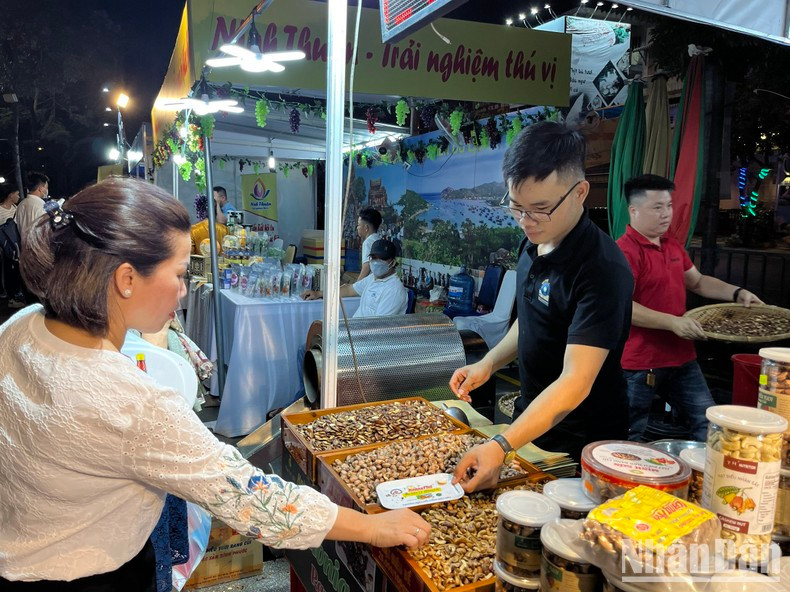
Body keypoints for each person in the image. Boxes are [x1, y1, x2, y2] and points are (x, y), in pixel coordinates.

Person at [0, 178, 430, 589]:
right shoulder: (133, 404)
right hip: (91, 575)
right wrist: (372, 527)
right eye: (181, 273)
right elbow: (253, 499)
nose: (185, 291)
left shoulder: (23, 325)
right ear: (127, 280)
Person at [448, 122, 633, 492]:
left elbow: (575, 382)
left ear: (580, 192)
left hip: (581, 445)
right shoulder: (533, 243)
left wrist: (500, 445)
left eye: (540, 209)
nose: (526, 221)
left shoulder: (601, 268)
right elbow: (532, 320)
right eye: (516, 207)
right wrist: (489, 362)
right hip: (529, 426)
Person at [617, 174, 762, 442]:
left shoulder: (672, 246)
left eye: (669, 205)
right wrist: (672, 322)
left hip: (682, 358)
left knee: (709, 426)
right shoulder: (624, 252)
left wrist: (737, 292)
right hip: (640, 364)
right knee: (628, 432)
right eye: (657, 207)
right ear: (633, 210)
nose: (666, 214)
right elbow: (623, 305)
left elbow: (697, 282)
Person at [302, 238, 408, 317]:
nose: (376, 263)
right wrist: (319, 293)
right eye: (374, 258)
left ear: (393, 262)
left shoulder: (394, 290)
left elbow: (378, 327)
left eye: (381, 259)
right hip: (356, 332)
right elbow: (349, 290)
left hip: (366, 340)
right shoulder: (373, 278)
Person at [0, 183, 24, 308]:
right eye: (17, 194)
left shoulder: (16, 208)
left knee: (14, 271)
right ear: (10, 195)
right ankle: (9, 296)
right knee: (6, 271)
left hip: (14, 247)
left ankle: (15, 294)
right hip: (3, 249)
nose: (19, 196)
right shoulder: (0, 210)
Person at [15, 172, 49, 243]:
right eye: (46, 187)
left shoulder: (21, 204)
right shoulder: (41, 206)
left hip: (23, 247)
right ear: (40, 189)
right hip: (38, 249)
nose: (47, 190)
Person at [356, 207, 382, 280]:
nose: (357, 228)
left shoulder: (368, 242)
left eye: (358, 225)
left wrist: (356, 285)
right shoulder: (378, 239)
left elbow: (367, 266)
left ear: (366, 227)